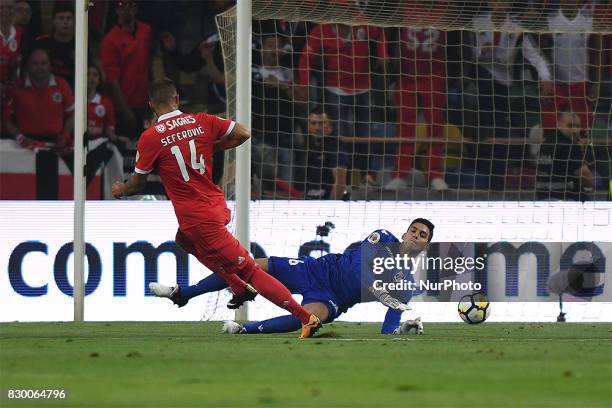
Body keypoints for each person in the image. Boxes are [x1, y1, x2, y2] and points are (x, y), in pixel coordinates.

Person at [111, 78, 322, 338]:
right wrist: (212, 147)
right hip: (214, 204)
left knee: (250, 271)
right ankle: (236, 286)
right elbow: (244, 133)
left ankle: (306, 318)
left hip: (199, 218)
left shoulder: (151, 137)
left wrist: (121, 190)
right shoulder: (202, 121)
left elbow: (137, 183)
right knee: (184, 241)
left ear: (152, 105)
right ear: (177, 99)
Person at [150, 218, 435, 336]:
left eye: (422, 236)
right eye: (414, 230)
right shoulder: (382, 236)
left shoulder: (405, 286)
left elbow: (387, 330)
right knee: (250, 266)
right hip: (317, 269)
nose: (416, 236)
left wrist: (401, 331)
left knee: (313, 318)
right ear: (405, 233)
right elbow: (362, 264)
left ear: (425, 245)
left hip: (334, 298)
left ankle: (245, 330)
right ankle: (182, 294)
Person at [470, 0, 552, 190]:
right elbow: (470, 53)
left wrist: (546, 77)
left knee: (499, 130)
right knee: (483, 126)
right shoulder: (477, 22)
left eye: (504, 1)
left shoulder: (516, 28)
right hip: (479, 79)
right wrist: (482, 51)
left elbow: (536, 56)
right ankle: (480, 176)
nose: (500, 4)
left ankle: (496, 181)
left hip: (503, 83)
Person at [384, 22, 450, 192]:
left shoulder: (445, 9)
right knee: (404, 126)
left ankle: (435, 175)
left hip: (434, 74)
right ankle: (399, 174)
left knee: (435, 125)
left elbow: (457, 43)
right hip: (406, 75)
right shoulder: (402, 8)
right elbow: (392, 36)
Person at [542, 0, 602, 131]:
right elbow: (542, 54)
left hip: (581, 85)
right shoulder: (550, 21)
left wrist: (596, 83)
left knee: (582, 131)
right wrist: (544, 80)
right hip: (556, 85)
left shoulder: (589, 21)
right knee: (551, 131)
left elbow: (597, 54)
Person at [100, 0, 152, 136]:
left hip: (145, 101)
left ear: (136, 9)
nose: (127, 9)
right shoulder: (110, 39)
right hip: (124, 104)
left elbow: (151, 63)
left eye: (131, 5)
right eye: (122, 5)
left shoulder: (146, 31)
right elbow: (111, 79)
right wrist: (124, 109)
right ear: (116, 10)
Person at [536, 110, 595, 201]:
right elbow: (588, 179)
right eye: (570, 126)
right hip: (566, 199)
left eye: (577, 126)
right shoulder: (569, 146)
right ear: (559, 124)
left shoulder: (547, 141)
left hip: (542, 197)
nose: (574, 130)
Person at [294, 106, 348, 199]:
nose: (317, 127)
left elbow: (340, 183)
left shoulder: (336, 145)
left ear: (330, 124)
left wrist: (331, 207)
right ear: (308, 125)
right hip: (309, 199)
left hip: (326, 202)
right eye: (313, 123)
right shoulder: (307, 144)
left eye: (321, 123)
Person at [33, 1, 75, 88]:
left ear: (74, 21)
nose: (65, 22)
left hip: (71, 92)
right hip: (44, 90)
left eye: (69, 18)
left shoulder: (80, 46)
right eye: (61, 18)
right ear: (53, 21)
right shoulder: (41, 43)